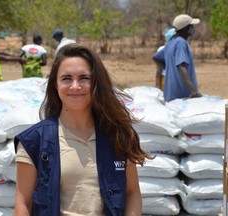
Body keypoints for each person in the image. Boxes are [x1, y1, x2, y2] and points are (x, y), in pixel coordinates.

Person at [13, 44, 153, 215]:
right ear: (55, 85)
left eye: (84, 78)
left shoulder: (118, 136)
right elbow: (23, 204)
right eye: (66, 79)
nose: (75, 86)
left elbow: (132, 193)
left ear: (96, 83)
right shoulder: (34, 142)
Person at [153, 14, 202, 102]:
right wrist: (193, 91)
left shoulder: (171, 42)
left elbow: (156, 58)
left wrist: (170, 70)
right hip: (182, 95)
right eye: (191, 26)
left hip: (170, 95)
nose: (193, 28)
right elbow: (181, 66)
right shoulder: (181, 43)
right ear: (186, 28)